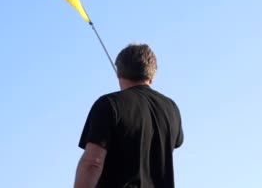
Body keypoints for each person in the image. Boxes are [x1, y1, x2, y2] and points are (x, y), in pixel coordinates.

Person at [74, 43, 184, 188]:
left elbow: (93, 162)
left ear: (119, 72)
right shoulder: (172, 109)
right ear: (152, 75)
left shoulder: (109, 104)